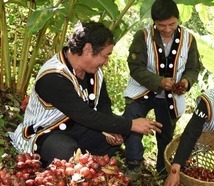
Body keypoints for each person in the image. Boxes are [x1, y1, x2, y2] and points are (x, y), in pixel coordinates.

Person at [9, 21, 162, 168]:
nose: (106, 62)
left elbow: (103, 104)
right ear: (88, 49)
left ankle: (86, 165)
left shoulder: (94, 72)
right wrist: (131, 124)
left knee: (117, 133)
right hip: (46, 132)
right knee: (65, 150)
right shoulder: (53, 76)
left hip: (78, 128)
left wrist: (112, 130)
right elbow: (84, 115)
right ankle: (68, 164)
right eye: (106, 55)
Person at [122, 0, 201, 176]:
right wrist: (158, 81)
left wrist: (186, 82)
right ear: (154, 23)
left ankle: (162, 170)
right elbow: (136, 67)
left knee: (166, 133)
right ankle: (134, 163)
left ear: (178, 19)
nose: (166, 29)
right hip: (141, 91)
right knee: (132, 120)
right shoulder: (142, 36)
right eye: (161, 25)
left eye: (171, 24)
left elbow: (193, 68)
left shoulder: (188, 39)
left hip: (171, 96)